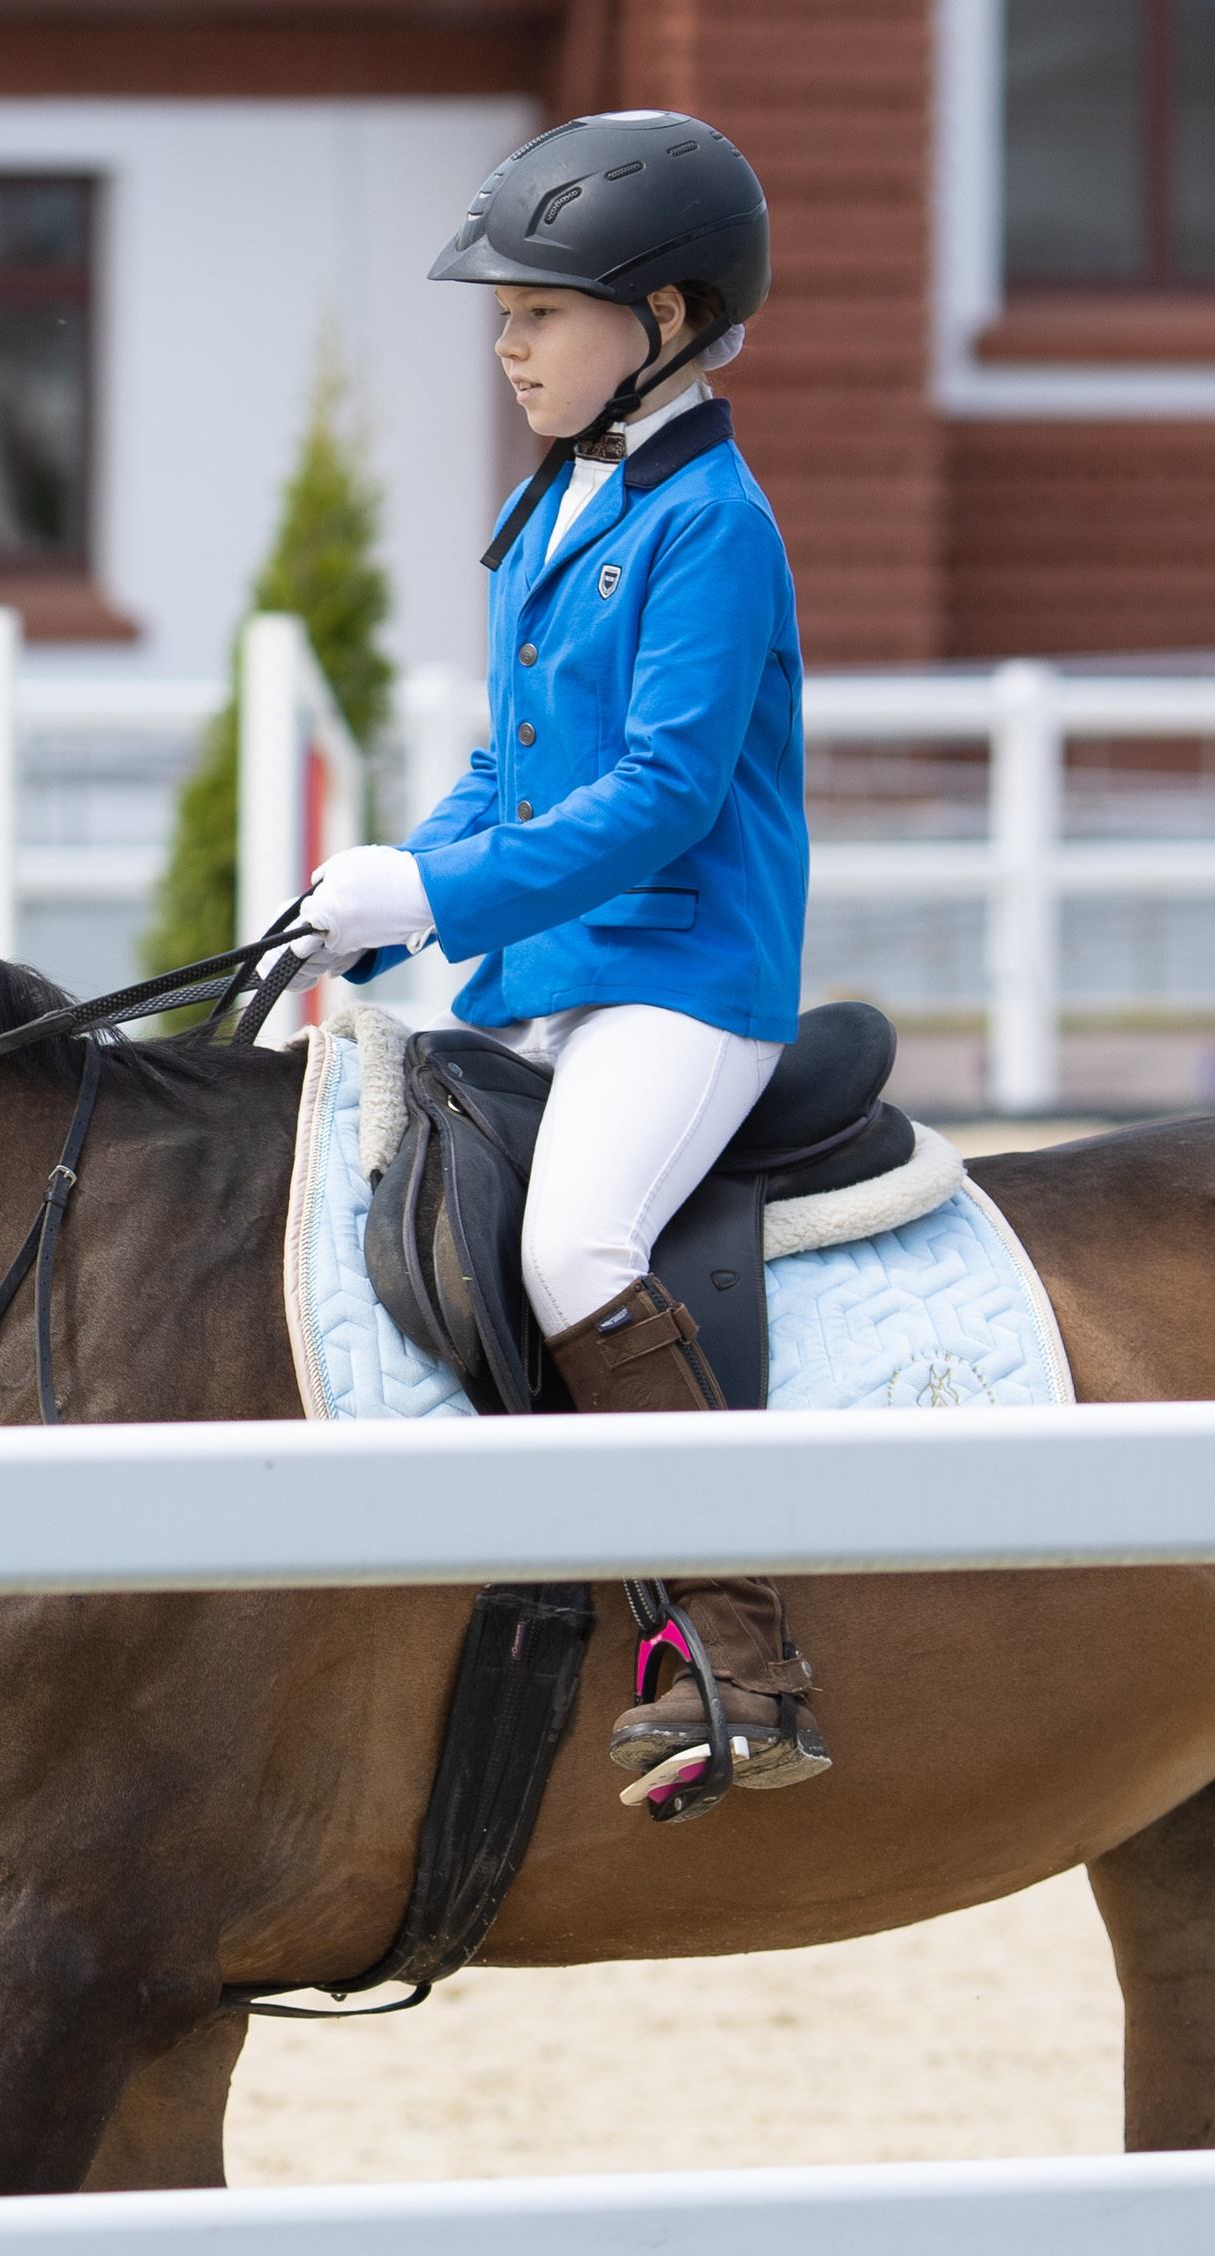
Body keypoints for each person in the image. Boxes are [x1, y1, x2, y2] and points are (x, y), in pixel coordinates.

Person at [290, 109, 828, 1811]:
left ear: (662, 318)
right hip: (557, 971)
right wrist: (396, 879)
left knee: (574, 1240)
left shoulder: (712, 524)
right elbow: (514, 769)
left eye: (538, 313)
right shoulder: (557, 501)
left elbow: (665, 796)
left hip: (684, 973)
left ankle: (746, 1659)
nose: (508, 346)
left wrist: (442, 896)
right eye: (503, 316)